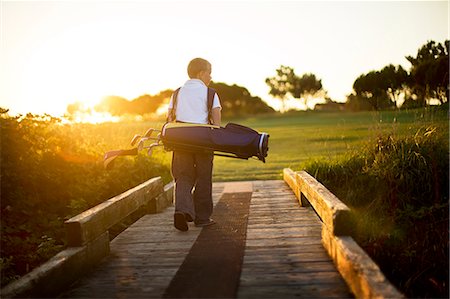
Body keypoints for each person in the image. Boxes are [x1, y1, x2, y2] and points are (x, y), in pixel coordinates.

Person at [167, 58, 222, 231]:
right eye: (209, 72)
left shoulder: (177, 93)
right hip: (203, 140)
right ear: (201, 73)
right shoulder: (210, 93)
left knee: (183, 176)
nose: (211, 77)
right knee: (204, 177)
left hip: (181, 140)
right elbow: (216, 121)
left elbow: (170, 118)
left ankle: (182, 211)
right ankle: (202, 218)